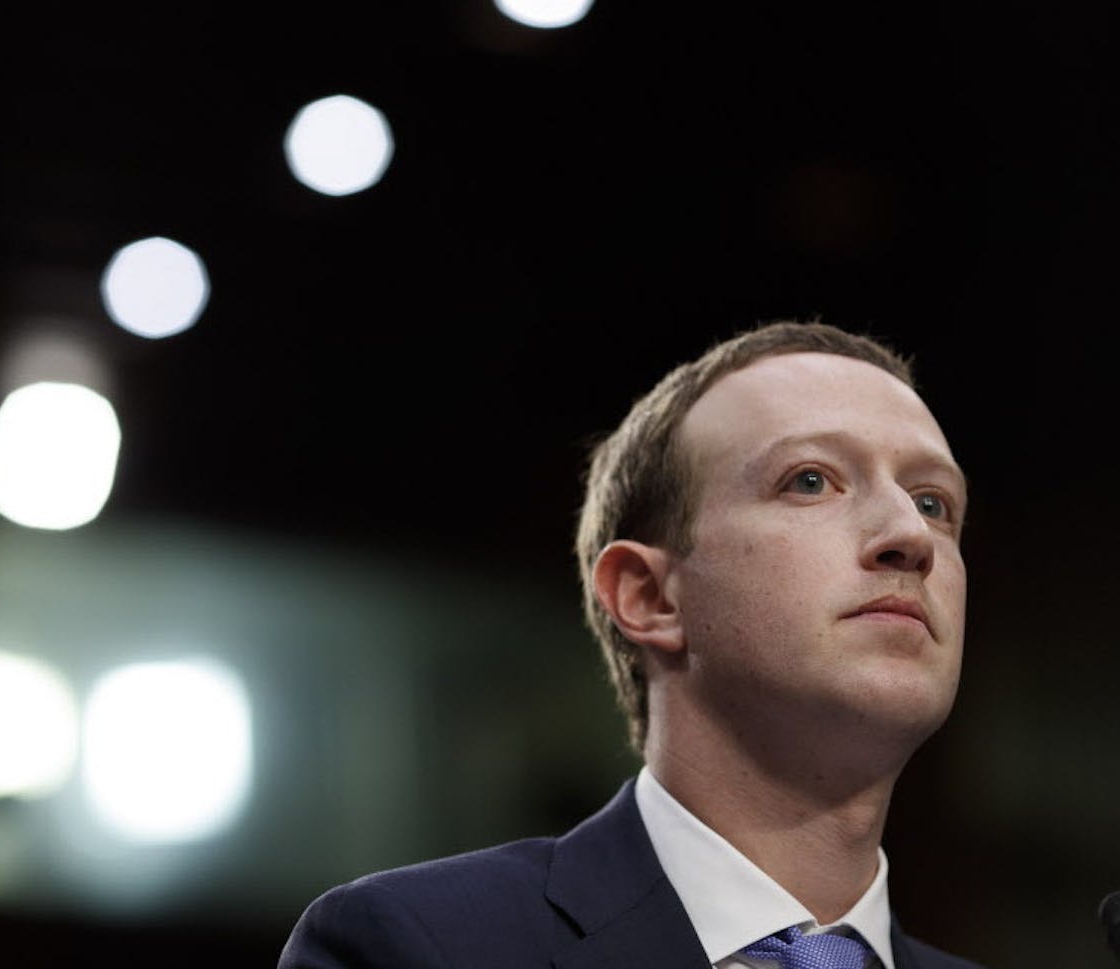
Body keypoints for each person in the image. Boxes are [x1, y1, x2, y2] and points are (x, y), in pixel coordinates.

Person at [278, 321, 986, 969]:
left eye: (933, 502)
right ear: (648, 596)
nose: (911, 536)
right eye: (810, 480)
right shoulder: (412, 947)